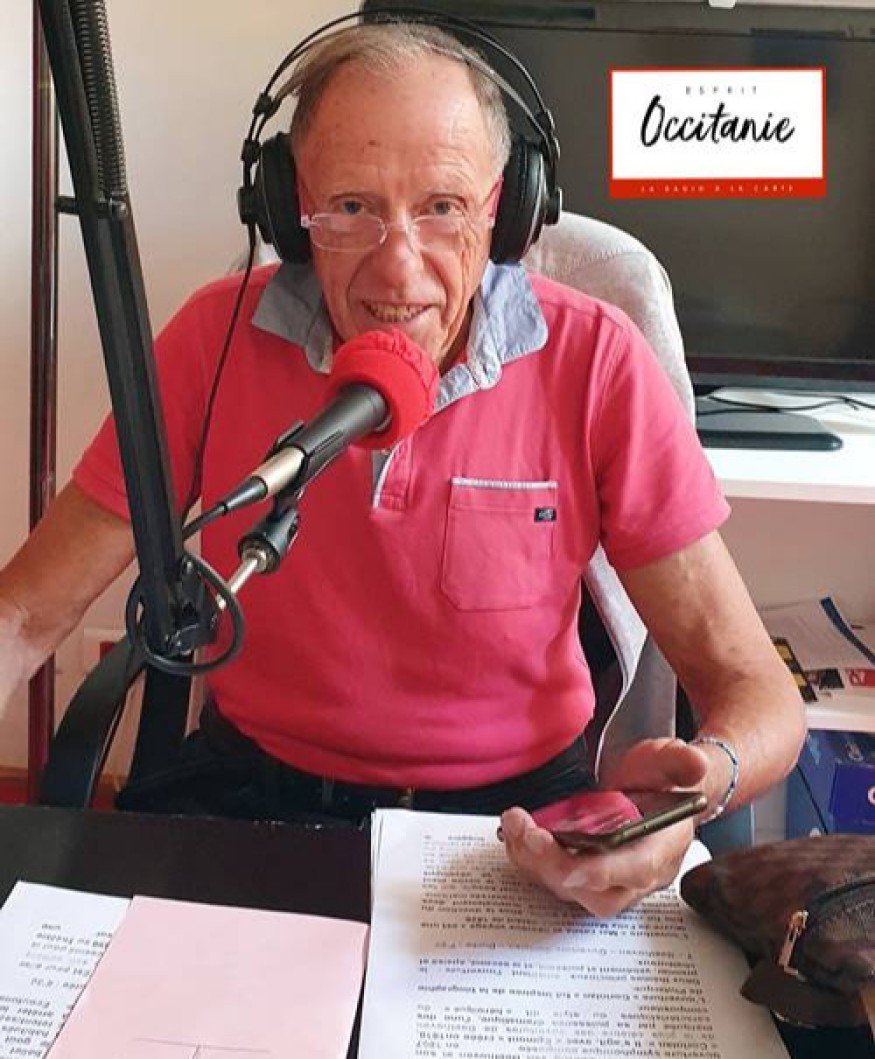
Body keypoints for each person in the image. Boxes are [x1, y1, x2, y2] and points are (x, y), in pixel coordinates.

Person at [0, 19, 804, 916]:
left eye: (442, 207)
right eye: (351, 207)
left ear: (505, 209)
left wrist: (696, 787)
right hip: (251, 798)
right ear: (290, 209)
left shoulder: (596, 362)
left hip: (518, 822)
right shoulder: (210, 344)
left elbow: (756, 692)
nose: (397, 266)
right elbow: (25, 614)